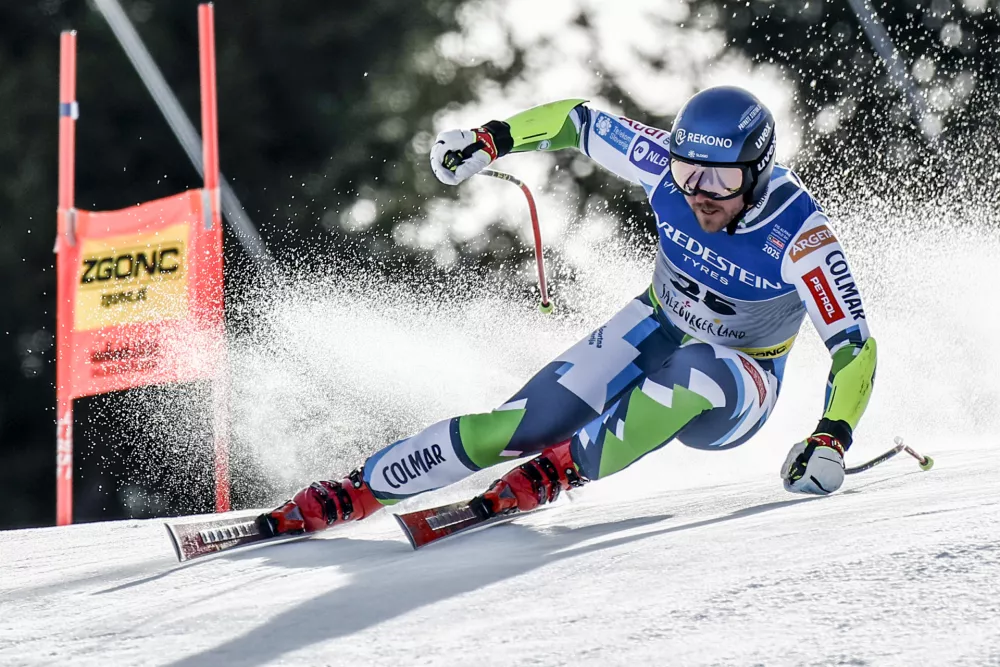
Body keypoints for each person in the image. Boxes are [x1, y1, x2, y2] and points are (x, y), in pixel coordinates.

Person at [262, 86, 876, 536]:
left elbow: (855, 348)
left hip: (741, 379)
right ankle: (356, 490)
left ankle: (562, 469)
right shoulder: (663, 166)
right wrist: (489, 140)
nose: (698, 195)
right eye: (687, 173)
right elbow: (577, 121)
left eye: (719, 182)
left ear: (758, 173)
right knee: (517, 427)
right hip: (658, 324)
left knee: (693, 374)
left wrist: (831, 436)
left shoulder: (801, 238)